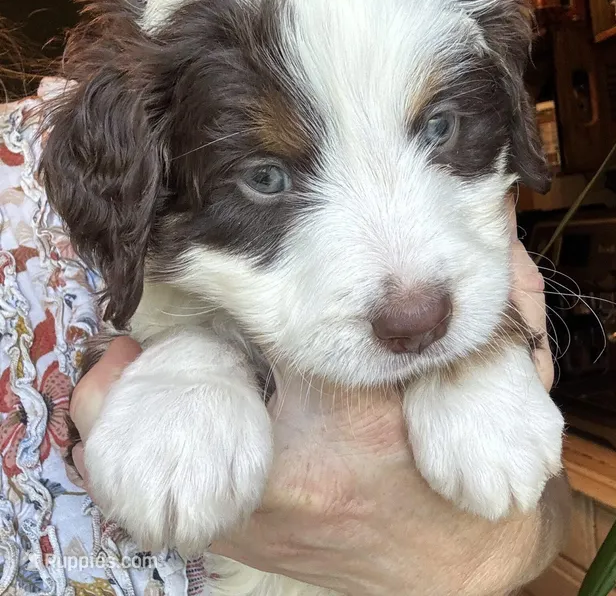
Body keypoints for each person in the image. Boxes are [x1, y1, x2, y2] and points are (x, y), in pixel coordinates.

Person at [0, 76, 569, 596]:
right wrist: (193, 364)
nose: (414, 303)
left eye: (438, 127)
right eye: (266, 177)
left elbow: (539, 509)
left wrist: (485, 553)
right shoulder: (136, 131)